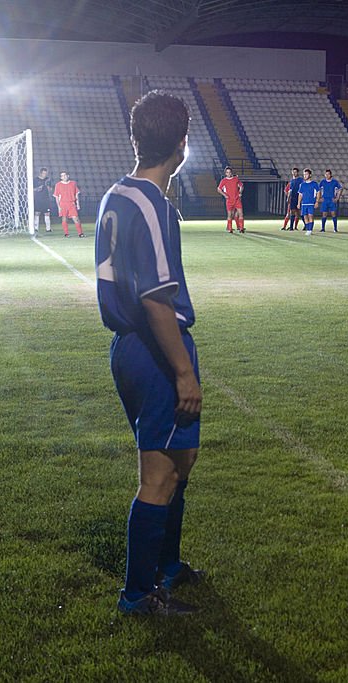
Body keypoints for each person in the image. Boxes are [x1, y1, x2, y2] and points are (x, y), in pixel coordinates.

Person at [95, 90, 204, 617]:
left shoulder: (115, 193)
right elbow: (155, 297)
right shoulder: (153, 203)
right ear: (180, 145)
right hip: (155, 352)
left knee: (181, 460)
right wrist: (183, 371)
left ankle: (168, 564)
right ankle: (139, 594)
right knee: (158, 476)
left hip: (129, 349)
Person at [53, 171, 83, 238]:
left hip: (71, 204)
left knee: (76, 218)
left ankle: (80, 233)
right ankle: (66, 233)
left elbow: (76, 194)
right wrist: (58, 207)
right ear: (60, 177)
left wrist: (78, 204)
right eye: (62, 176)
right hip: (63, 204)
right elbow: (57, 197)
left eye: (65, 175)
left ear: (68, 176)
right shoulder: (58, 185)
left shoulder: (73, 183)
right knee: (64, 219)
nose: (64, 177)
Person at [217, 166, 245, 234]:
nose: (228, 173)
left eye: (229, 172)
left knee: (240, 214)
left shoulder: (236, 179)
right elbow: (218, 189)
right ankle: (230, 228)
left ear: (231, 172)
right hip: (229, 201)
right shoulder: (224, 180)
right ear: (225, 173)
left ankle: (241, 228)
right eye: (227, 172)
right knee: (230, 215)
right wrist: (225, 195)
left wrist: (240, 192)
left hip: (237, 200)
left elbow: (241, 186)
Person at [297, 168, 319, 235]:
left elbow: (318, 192)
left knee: (310, 216)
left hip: (311, 203)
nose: (305, 176)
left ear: (310, 175)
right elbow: (300, 194)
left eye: (306, 174)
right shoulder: (302, 185)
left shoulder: (314, 184)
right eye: (304, 174)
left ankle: (310, 230)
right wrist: (298, 203)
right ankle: (308, 229)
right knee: (305, 216)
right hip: (304, 203)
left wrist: (317, 202)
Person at [33, 167, 53, 234]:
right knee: (37, 213)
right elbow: (32, 189)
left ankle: (48, 229)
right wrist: (37, 189)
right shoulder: (35, 180)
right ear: (41, 173)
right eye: (44, 173)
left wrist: (48, 188)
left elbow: (50, 190)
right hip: (38, 199)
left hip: (46, 199)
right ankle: (35, 228)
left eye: (46, 173)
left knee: (47, 213)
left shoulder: (48, 180)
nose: (45, 175)